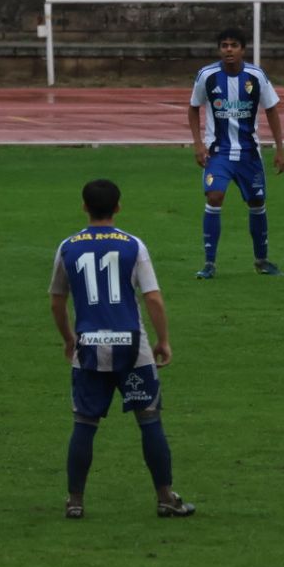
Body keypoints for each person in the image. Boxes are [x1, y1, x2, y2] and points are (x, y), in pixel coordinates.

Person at [50, 179, 194, 519]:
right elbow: (153, 298)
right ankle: (165, 497)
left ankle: (75, 502)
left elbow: (57, 301)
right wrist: (163, 340)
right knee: (149, 419)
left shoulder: (68, 247)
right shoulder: (133, 245)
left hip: (88, 346)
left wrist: (69, 338)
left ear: (84, 206)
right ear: (118, 207)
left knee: (84, 424)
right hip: (132, 346)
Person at [187, 27, 284, 279]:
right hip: (218, 152)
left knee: (256, 202)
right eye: (224, 45)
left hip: (249, 153)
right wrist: (198, 144)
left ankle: (261, 261)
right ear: (219, 49)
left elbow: (272, 110)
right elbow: (193, 107)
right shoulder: (207, 75)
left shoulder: (256, 75)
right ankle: (209, 263)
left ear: (243, 49)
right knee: (214, 196)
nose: (228, 50)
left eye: (233, 45)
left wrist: (279, 148)